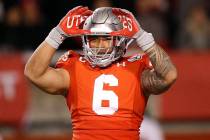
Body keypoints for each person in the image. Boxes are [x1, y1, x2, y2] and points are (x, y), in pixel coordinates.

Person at [24, 6, 177, 140]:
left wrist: (143, 37)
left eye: (105, 39)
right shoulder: (75, 66)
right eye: (93, 39)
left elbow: (168, 76)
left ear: (119, 40)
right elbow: (34, 73)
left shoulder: (136, 67)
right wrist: (57, 34)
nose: (99, 45)